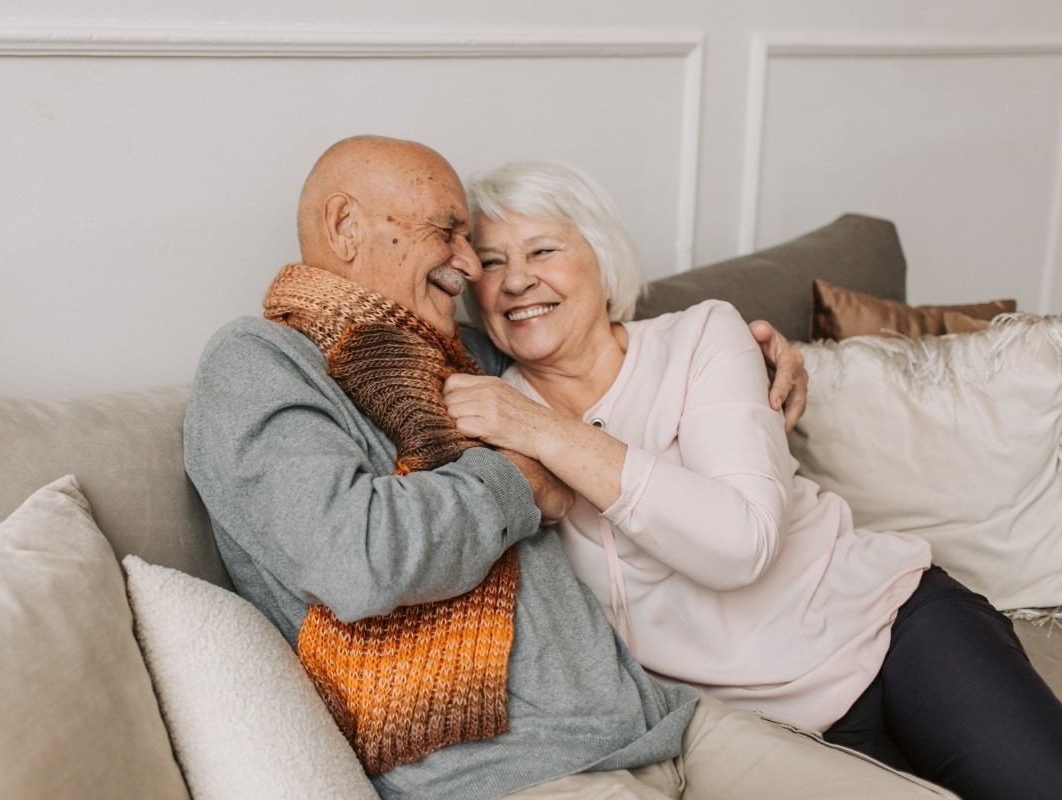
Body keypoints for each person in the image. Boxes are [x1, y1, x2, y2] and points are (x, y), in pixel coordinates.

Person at [184, 134, 958, 800]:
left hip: (665, 722)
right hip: (523, 774)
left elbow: (586, 334)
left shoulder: (458, 354)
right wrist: (523, 481)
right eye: (450, 234)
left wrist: (768, 355)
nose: (470, 266)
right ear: (345, 225)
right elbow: (355, 558)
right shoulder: (258, 364)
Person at [444, 158, 1062, 800]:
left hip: (890, 632)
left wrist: (551, 434)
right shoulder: (490, 411)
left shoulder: (702, 338)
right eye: (490, 263)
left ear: (603, 263)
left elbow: (740, 544)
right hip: (760, 735)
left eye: (542, 250)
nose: (516, 280)